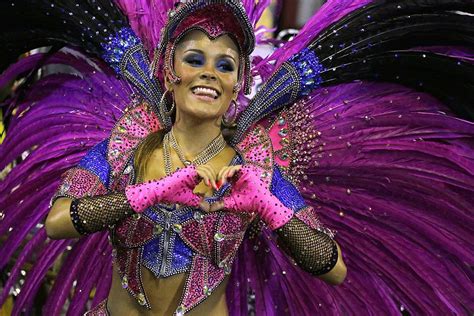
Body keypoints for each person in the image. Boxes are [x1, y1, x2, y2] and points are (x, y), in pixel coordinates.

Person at [0, 0, 473, 315]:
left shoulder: (256, 168)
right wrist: (148, 193)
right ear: (169, 72)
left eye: (225, 64)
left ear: (237, 83)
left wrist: (268, 208)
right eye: (195, 59)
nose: (209, 73)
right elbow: (57, 221)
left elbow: (333, 266)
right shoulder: (127, 143)